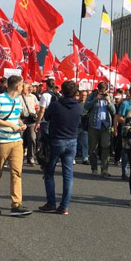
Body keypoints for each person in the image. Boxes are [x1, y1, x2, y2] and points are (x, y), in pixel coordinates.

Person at [0, 75, 31, 217]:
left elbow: (16, 116)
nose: (24, 87)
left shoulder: (17, 100)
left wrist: (20, 123)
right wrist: (10, 125)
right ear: (17, 86)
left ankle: (16, 205)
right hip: (1, 141)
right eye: (23, 84)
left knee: (17, 173)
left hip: (16, 141)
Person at [39, 80, 83, 215]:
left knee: (49, 171)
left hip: (57, 140)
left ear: (62, 92)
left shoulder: (55, 105)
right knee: (68, 175)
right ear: (75, 93)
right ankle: (64, 206)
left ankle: (51, 202)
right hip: (72, 141)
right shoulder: (78, 107)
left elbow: (46, 117)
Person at [84, 81, 115, 178]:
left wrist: (109, 102)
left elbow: (114, 111)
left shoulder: (109, 97)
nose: (102, 93)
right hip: (93, 125)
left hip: (105, 126)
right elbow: (86, 106)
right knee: (93, 148)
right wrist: (95, 99)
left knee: (105, 147)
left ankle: (104, 169)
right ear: (98, 89)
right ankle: (94, 168)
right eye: (100, 91)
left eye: (104, 91)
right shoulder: (92, 95)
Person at [20, 82, 39, 165]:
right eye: (27, 87)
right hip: (21, 119)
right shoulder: (18, 97)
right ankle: (19, 157)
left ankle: (30, 157)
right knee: (20, 139)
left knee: (32, 138)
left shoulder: (33, 97)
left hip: (31, 120)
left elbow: (37, 107)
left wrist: (37, 118)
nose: (29, 88)